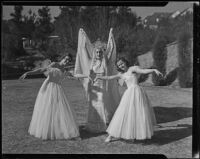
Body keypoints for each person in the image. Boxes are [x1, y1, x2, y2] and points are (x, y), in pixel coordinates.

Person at [95, 57, 163, 142]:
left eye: (122, 63)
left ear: (125, 62)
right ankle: (111, 135)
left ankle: (133, 134)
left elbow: (143, 71)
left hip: (138, 93)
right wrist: (99, 77)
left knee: (138, 114)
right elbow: (110, 77)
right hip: (129, 95)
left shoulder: (133, 68)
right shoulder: (121, 74)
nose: (121, 65)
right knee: (122, 113)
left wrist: (153, 70)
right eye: (119, 65)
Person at [19, 53, 80, 140]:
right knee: (47, 109)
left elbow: (73, 76)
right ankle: (46, 130)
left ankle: (58, 129)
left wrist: (80, 77)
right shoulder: (54, 64)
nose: (67, 61)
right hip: (48, 88)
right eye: (66, 59)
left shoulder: (65, 70)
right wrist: (28, 73)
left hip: (58, 90)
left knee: (59, 109)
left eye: (69, 60)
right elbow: (41, 70)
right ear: (62, 58)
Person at [74, 28, 121, 133]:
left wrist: (111, 35)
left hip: (103, 87)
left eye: (100, 52)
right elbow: (84, 50)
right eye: (97, 52)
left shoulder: (106, 62)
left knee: (102, 105)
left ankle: (102, 125)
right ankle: (92, 125)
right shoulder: (92, 63)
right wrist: (84, 37)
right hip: (94, 88)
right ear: (95, 53)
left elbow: (111, 49)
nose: (99, 53)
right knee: (93, 106)